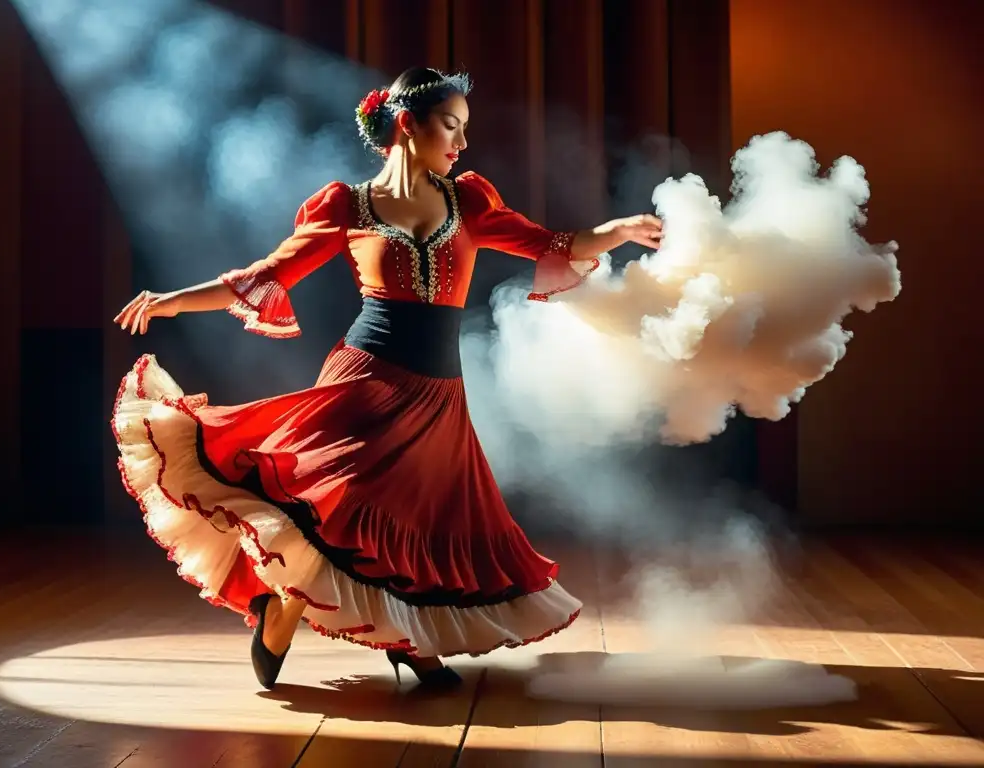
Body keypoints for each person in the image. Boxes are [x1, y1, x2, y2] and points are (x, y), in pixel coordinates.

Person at [112, 66, 663, 690]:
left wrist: (614, 232)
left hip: (437, 395)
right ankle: (283, 606)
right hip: (364, 380)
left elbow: (551, 243)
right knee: (338, 510)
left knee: (421, 517)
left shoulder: (471, 201)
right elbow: (268, 274)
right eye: (450, 127)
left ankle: (403, 636)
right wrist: (173, 299)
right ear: (407, 125)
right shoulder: (346, 205)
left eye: (464, 129)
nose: (461, 143)